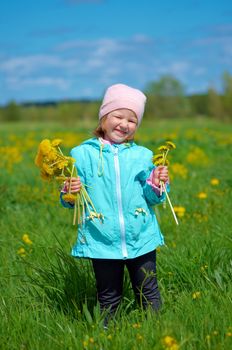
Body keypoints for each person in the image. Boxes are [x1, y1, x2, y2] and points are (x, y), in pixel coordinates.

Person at [60, 83, 169, 323]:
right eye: (118, 116)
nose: (124, 124)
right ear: (103, 118)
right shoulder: (82, 154)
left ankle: (158, 332)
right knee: (108, 297)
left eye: (132, 120)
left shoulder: (143, 155)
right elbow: (71, 200)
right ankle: (106, 337)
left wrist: (157, 184)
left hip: (141, 236)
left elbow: (153, 199)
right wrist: (70, 192)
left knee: (149, 291)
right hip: (102, 239)